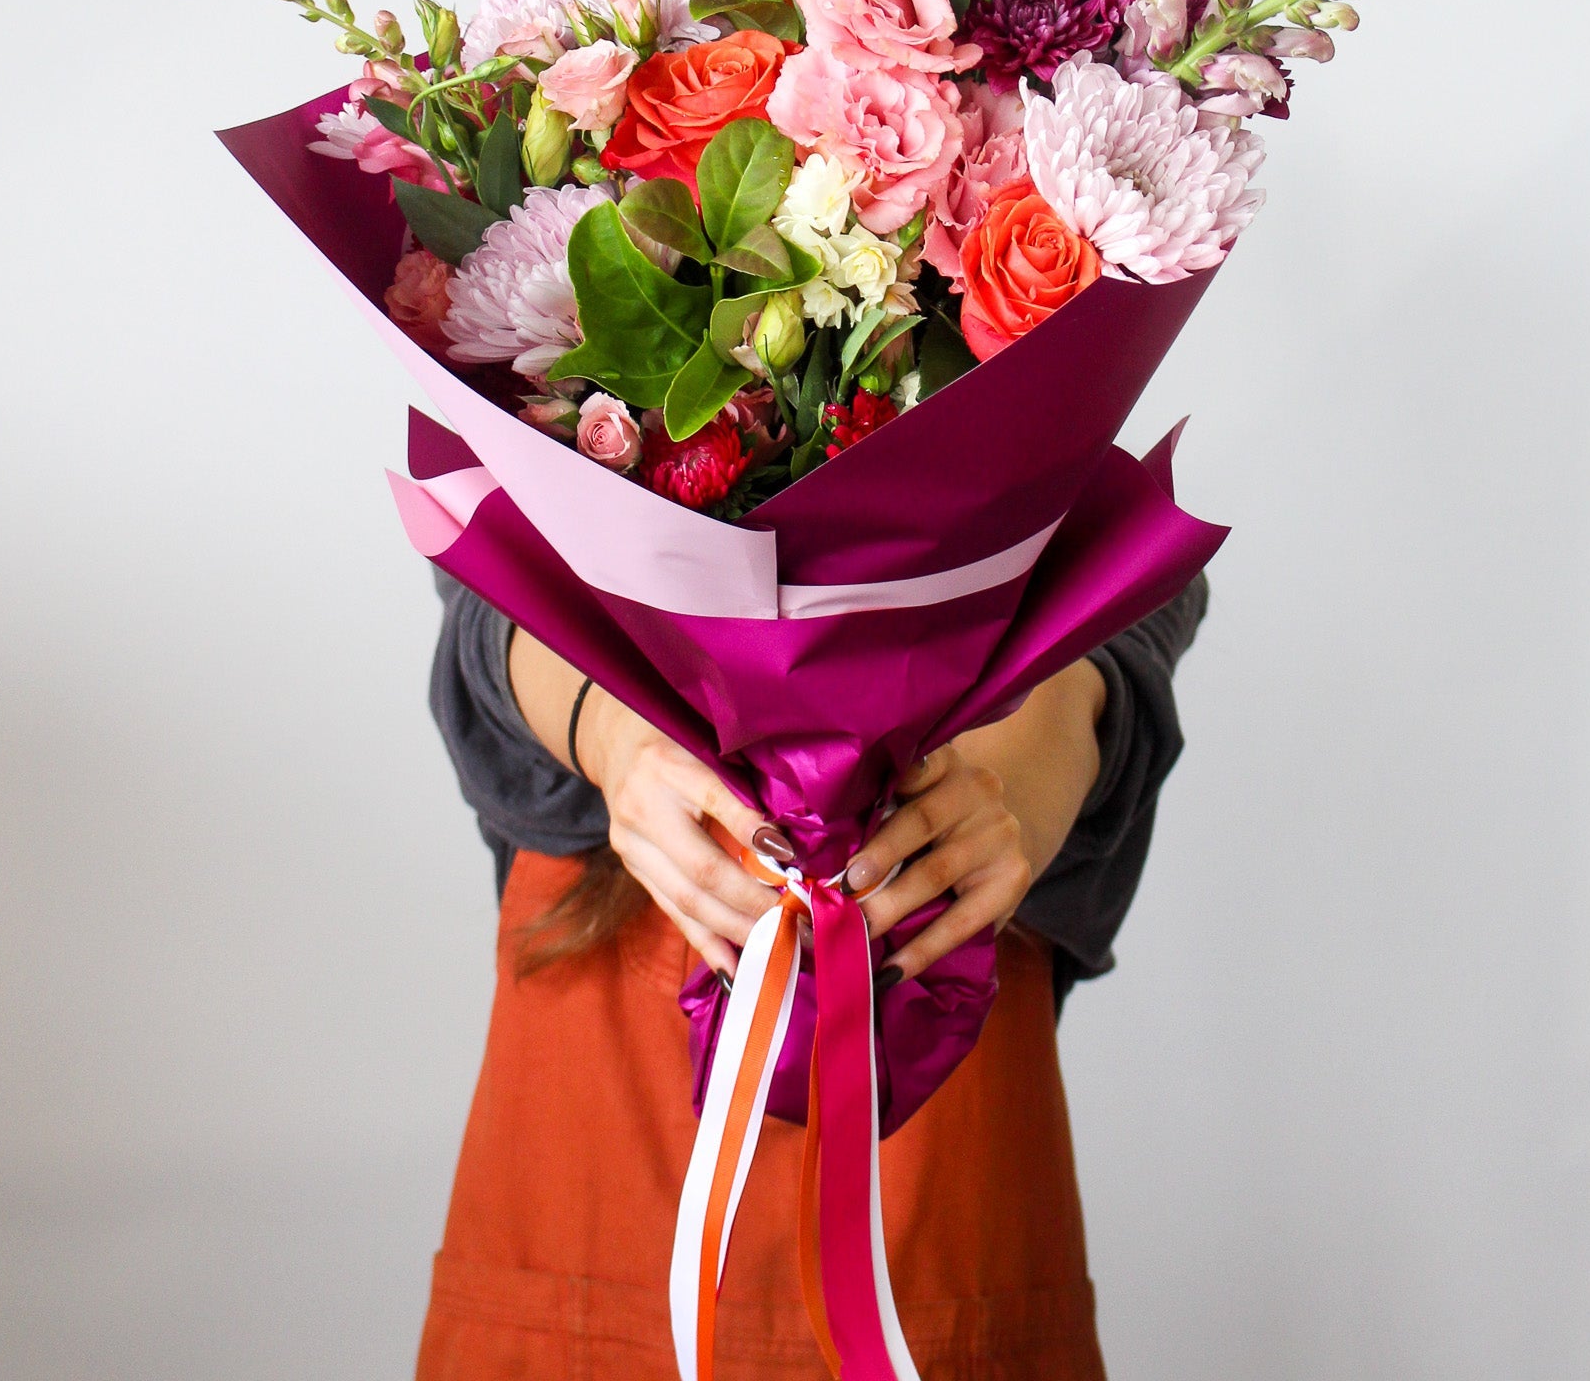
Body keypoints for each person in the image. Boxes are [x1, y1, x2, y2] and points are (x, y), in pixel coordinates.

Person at [415, 572, 1208, 1381]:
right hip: (593, 1075)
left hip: (943, 1181)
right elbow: (491, 595)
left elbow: (1121, 611)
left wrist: (1001, 798)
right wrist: (614, 737)